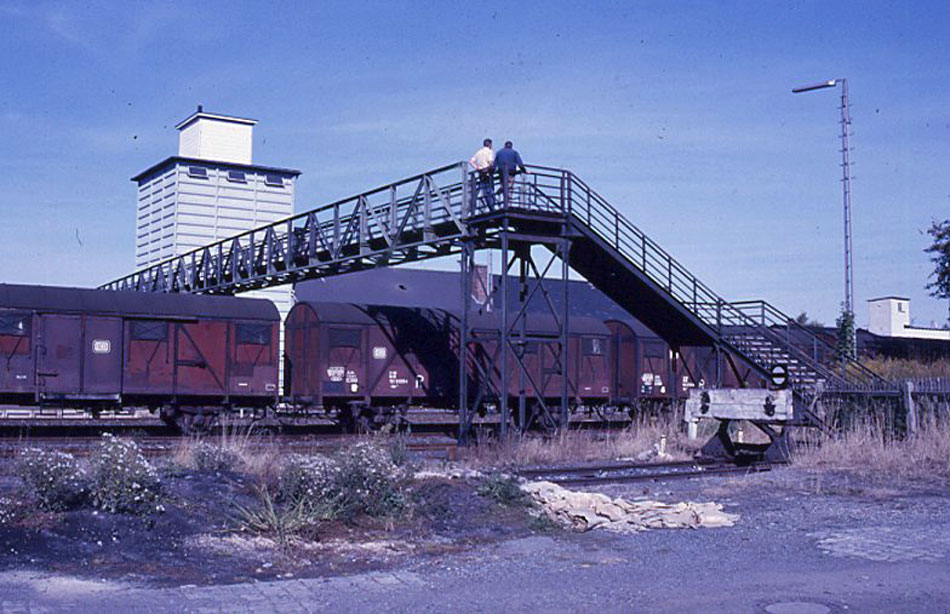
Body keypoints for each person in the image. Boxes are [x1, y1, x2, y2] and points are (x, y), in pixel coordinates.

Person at [493, 141, 526, 205]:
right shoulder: (514, 153)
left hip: (501, 173)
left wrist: (492, 172)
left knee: (504, 185)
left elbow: (494, 165)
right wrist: (523, 170)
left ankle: (503, 196)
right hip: (511, 172)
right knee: (510, 187)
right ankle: (508, 202)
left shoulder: (499, 153)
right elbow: (520, 163)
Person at [469, 138, 495, 211]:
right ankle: (492, 207)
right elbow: (490, 162)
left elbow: (471, 161)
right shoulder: (489, 152)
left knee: (484, 190)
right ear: (489, 144)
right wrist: (491, 168)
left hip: (481, 173)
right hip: (487, 173)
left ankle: (487, 205)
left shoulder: (479, 152)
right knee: (490, 190)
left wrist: (477, 168)